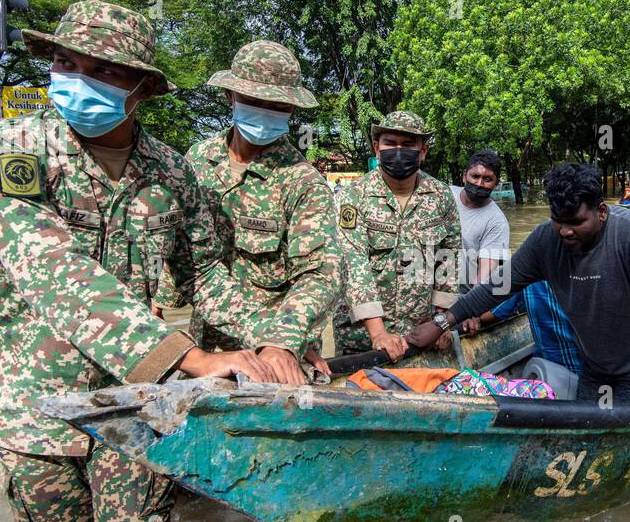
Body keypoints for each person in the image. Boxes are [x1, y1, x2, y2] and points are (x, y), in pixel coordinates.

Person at [0, 0, 276, 522]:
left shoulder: (173, 173)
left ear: (141, 88)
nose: (79, 80)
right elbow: (51, 267)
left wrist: (267, 343)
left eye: (103, 70)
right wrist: (191, 358)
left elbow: (207, 272)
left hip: (135, 403)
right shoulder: (8, 148)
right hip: (35, 404)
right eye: (65, 63)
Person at [407, 163, 630, 409]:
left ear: (601, 212)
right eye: (558, 222)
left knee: (623, 441)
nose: (565, 232)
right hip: (595, 364)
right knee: (588, 429)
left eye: (577, 222)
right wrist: (441, 323)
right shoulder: (545, 241)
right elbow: (496, 287)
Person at [185, 41, 340, 384]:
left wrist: (285, 340)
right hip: (209, 347)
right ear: (230, 96)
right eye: (255, 102)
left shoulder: (302, 182)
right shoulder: (196, 160)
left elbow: (320, 272)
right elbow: (182, 251)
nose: (265, 112)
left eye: (277, 106)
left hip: (276, 356)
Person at [334, 111, 462, 358]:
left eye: (408, 144)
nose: (399, 150)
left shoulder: (440, 196)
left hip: (420, 336)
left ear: (423, 151)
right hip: (361, 341)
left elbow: (449, 261)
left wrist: (442, 322)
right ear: (377, 148)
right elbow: (353, 266)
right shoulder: (352, 197)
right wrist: (378, 333)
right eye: (390, 143)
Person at [462, 280, 582, 377]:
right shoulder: (529, 271)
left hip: (583, 373)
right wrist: (477, 319)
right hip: (547, 369)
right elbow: (499, 309)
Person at [451, 148, 510, 290]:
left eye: (487, 179)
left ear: (496, 184)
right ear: (465, 176)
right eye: (475, 176)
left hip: (462, 295)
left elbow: (483, 278)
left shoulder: (496, 221)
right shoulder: (446, 195)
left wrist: (468, 307)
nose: (479, 183)